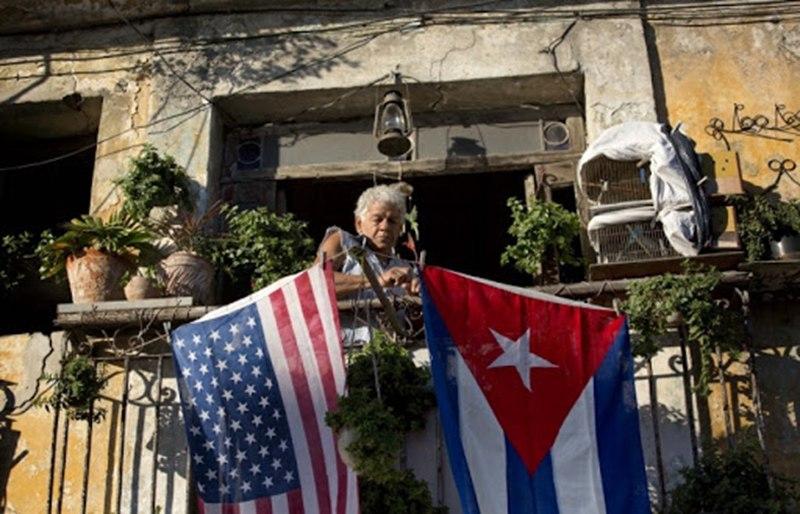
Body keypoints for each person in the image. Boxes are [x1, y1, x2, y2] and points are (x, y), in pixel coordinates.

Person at [315, 183, 420, 299]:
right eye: (377, 220)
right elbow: (315, 282)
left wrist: (415, 296)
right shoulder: (343, 242)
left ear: (400, 228)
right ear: (359, 224)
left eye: (392, 221)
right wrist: (375, 280)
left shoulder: (405, 267)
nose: (384, 227)